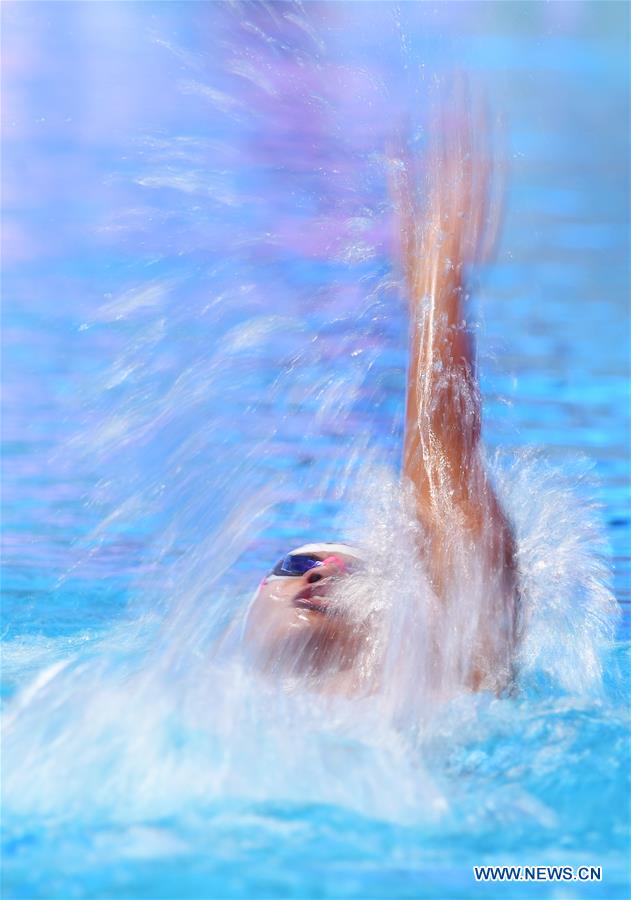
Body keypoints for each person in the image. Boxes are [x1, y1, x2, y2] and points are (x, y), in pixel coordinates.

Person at [242, 103, 518, 696]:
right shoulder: (133, 725)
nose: (319, 573)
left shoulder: (435, 698)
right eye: (292, 565)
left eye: (355, 574)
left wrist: (436, 291)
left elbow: (453, 505)